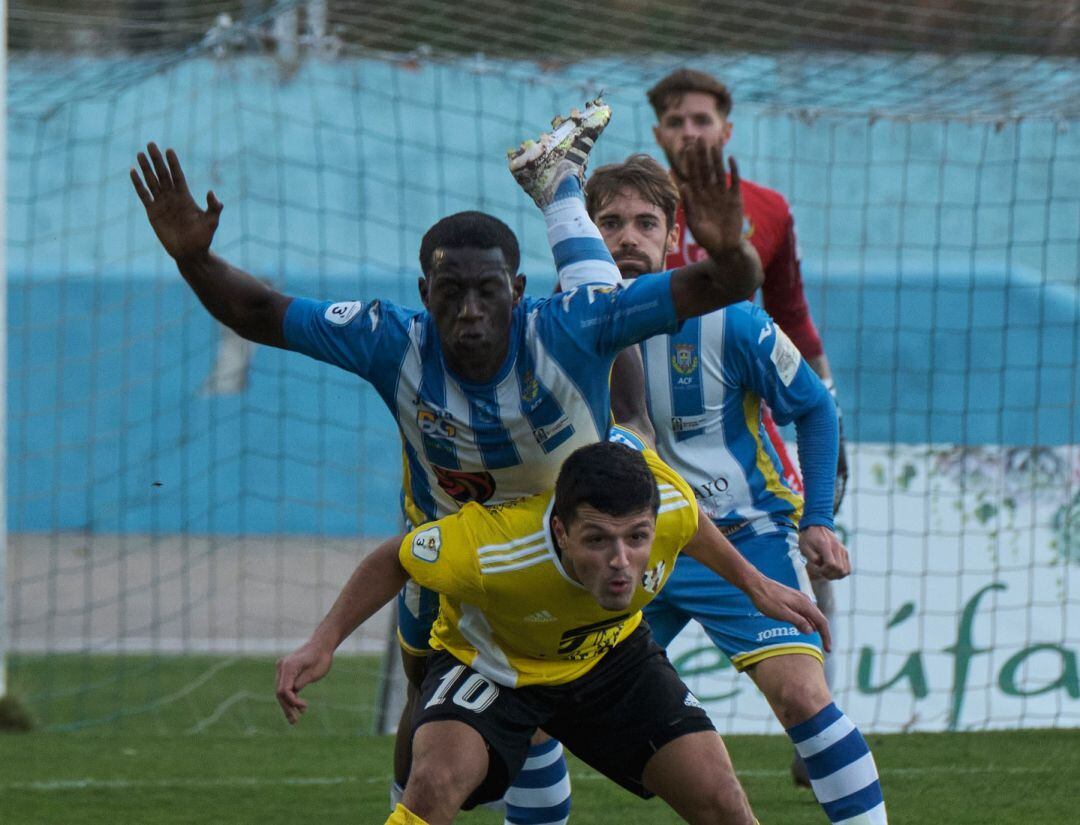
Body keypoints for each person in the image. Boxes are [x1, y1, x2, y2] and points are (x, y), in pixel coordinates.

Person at [129, 99, 761, 825]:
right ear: (423, 292)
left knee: (608, 325)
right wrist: (194, 258)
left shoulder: (568, 327)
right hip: (454, 566)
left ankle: (560, 185)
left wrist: (730, 248)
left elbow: (722, 285)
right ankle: (558, 180)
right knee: (422, 768)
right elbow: (260, 313)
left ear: (517, 293)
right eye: (450, 292)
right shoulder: (389, 341)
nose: (468, 310)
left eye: (487, 290)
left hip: (574, 568)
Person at [276, 440, 830, 825]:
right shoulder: (494, 548)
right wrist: (322, 641)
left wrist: (756, 585)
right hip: (492, 665)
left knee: (722, 801)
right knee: (434, 786)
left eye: (636, 538)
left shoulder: (670, 510)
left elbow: (688, 522)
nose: (621, 562)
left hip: (611, 658)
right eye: (598, 541)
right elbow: (392, 560)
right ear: (561, 531)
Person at [581, 152, 887, 824]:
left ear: (671, 235)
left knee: (803, 698)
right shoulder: (560, 327)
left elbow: (816, 406)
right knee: (536, 709)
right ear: (584, 231)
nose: (626, 236)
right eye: (609, 222)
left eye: (644, 222)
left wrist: (818, 518)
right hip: (625, 555)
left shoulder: (731, 321)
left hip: (742, 537)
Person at [647, 68, 851, 787]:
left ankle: (818, 718)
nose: (690, 132)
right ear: (658, 133)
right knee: (549, 692)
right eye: (676, 121)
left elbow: (789, 311)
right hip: (638, 501)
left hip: (737, 465)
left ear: (726, 129)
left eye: (703, 120)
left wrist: (825, 399)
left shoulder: (765, 209)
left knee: (805, 595)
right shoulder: (623, 218)